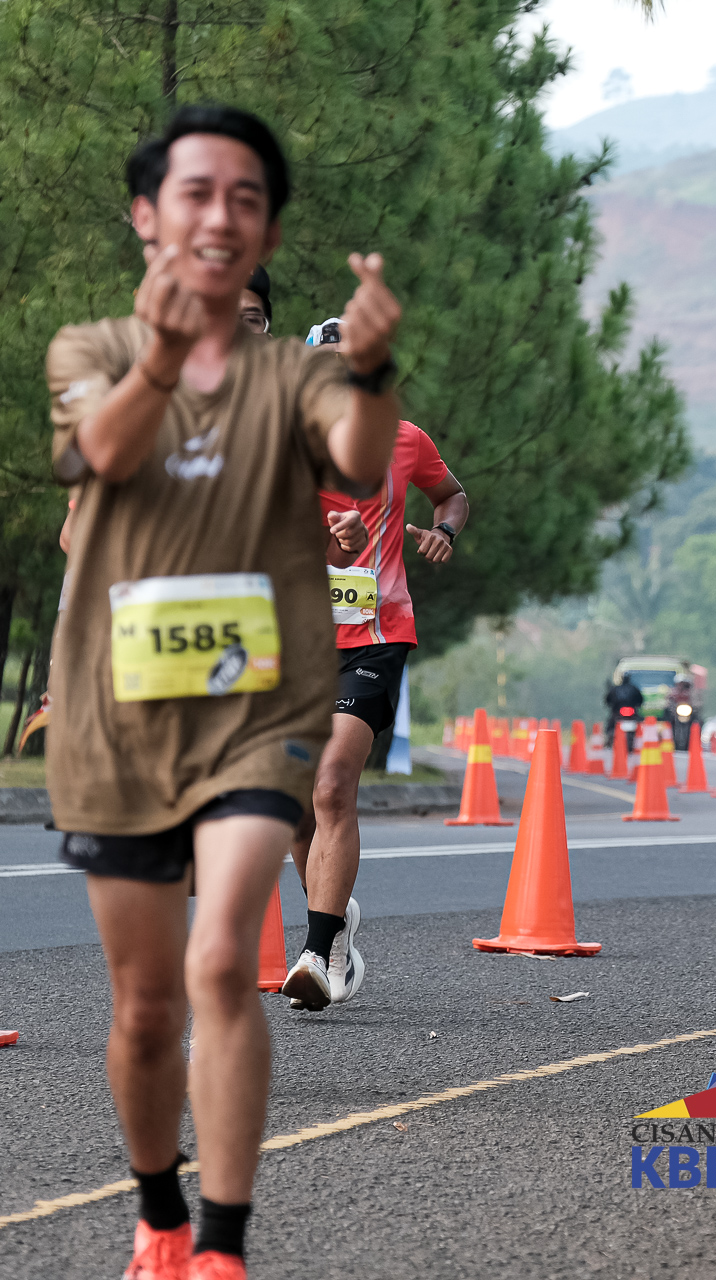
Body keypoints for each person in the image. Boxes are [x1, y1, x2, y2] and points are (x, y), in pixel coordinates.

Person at [46, 106, 402, 1279]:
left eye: (246, 197)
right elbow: (102, 453)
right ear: (147, 217)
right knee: (148, 1005)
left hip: (260, 716)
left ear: (268, 233)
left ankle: (223, 1245)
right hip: (122, 726)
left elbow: (361, 456)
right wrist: (163, 352)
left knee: (216, 966)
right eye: (196, 192)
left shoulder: (295, 377)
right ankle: (159, 1209)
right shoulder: (91, 351)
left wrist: (371, 366)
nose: (221, 215)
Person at [279, 307, 469, 1012]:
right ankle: (335, 927)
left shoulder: (404, 440)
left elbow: (452, 495)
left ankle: (317, 951)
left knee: (332, 785)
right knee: (295, 805)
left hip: (377, 635)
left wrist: (446, 530)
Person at [604, 670, 643, 749]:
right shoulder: (634, 688)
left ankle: (609, 736)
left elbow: (608, 700)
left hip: (619, 712)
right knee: (638, 721)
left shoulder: (616, 689)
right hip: (627, 712)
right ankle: (610, 736)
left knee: (611, 723)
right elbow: (640, 700)